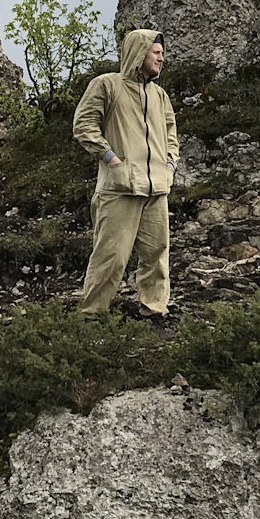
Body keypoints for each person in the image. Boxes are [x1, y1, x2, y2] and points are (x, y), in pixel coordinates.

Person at [72, 27, 179, 323]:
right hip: (119, 189)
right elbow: (84, 126)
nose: (161, 58)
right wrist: (113, 160)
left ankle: (154, 313)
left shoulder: (159, 95)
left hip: (157, 190)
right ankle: (91, 317)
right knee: (110, 257)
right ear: (139, 52)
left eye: (162, 52)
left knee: (157, 257)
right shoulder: (107, 85)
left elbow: (171, 136)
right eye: (156, 52)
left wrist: (169, 168)